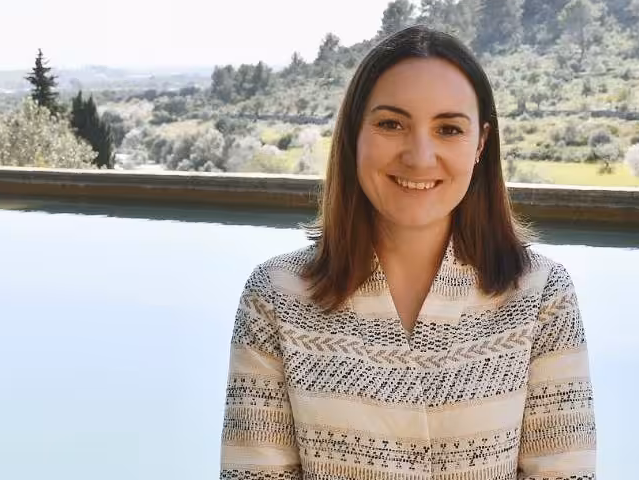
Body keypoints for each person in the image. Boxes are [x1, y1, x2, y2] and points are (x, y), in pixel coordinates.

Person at [218, 25, 596, 479]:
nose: (419, 156)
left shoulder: (542, 294)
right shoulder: (275, 297)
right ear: (353, 133)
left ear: (480, 143)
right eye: (391, 124)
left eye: (448, 129)